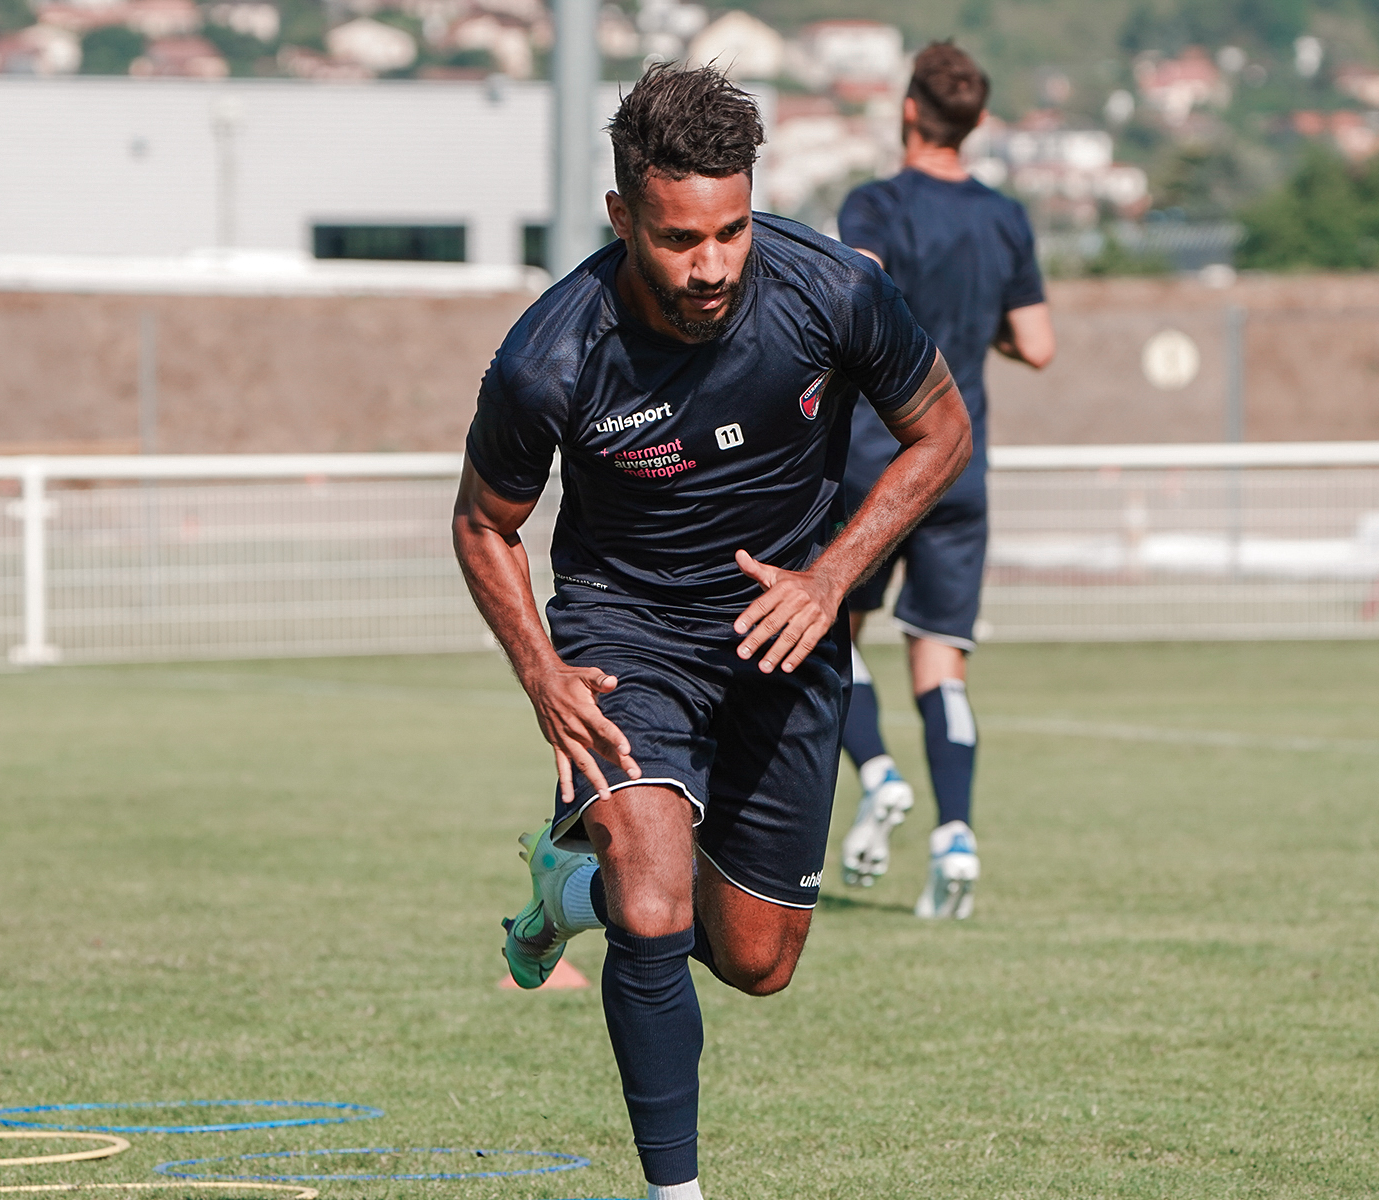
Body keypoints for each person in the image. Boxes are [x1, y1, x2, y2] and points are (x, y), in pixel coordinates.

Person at [452, 64, 971, 1200]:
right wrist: (540, 671)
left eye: (732, 230)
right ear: (622, 215)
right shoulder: (550, 356)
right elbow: (485, 525)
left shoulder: (828, 291)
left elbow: (939, 430)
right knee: (653, 891)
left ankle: (561, 890)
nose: (714, 266)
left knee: (754, 960)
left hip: (785, 632)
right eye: (683, 238)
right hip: (623, 627)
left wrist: (831, 578)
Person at [834, 41, 1055, 919]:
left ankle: (878, 772)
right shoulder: (1006, 219)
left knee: (828, 635)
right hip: (963, 465)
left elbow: (859, 302)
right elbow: (1037, 344)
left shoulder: (876, 204)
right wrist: (978, 330)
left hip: (876, 454)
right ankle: (955, 836)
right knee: (943, 666)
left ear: (908, 110)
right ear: (980, 123)